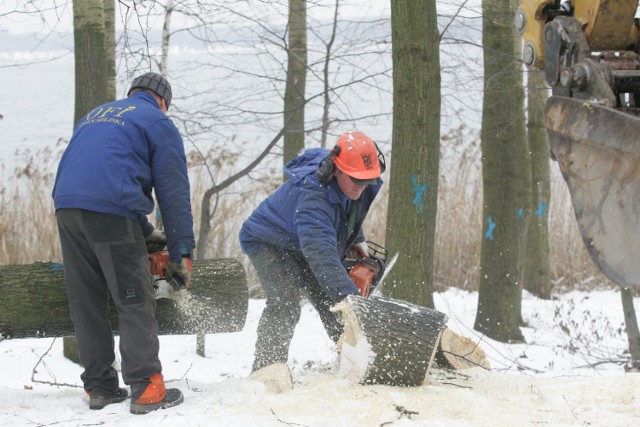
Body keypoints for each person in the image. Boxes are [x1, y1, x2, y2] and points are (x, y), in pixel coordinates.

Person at [52, 72, 195, 414]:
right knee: (135, 299)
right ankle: (146, 387)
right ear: (162, 101)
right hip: (110, 214)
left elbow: (104, 173)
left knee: (86, 301)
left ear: (132, 93)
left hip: (67, 208)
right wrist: (181, 254)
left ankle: (99, 386)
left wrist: (145, 233)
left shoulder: (96, 114)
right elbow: (173, 194)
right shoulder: (158, 121)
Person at [239, 131, 385, 372]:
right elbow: (322, 256)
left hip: (301, 240)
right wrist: (352, 303)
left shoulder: (351, 183)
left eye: (367, 180)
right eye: (357, 180)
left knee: (331, 299)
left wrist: (356, 238)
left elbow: (345, 212)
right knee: (285, 302)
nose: (362, 186)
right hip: (268, 241)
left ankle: (358, 361)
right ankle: (266, 371)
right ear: (336, 169)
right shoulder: (313, 196)